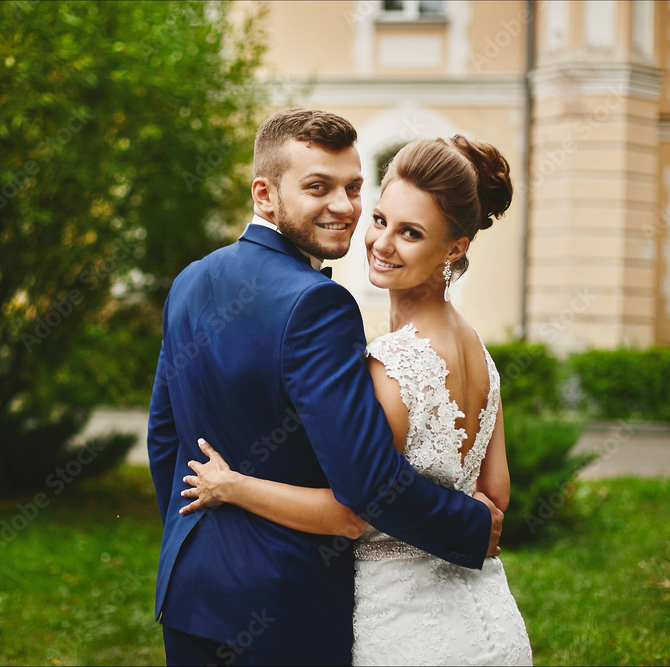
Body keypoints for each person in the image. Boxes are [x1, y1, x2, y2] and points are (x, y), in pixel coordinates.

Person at [147, 109, 503, 666]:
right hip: (284, 609)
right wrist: (472, 525)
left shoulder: (190, 280)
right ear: (265, 195)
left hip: (189, 595)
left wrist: (194, 538)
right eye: (318, 187)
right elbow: (366, 488)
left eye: (353, 187)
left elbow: (165, 440)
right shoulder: (318, 302)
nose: (344, 207)